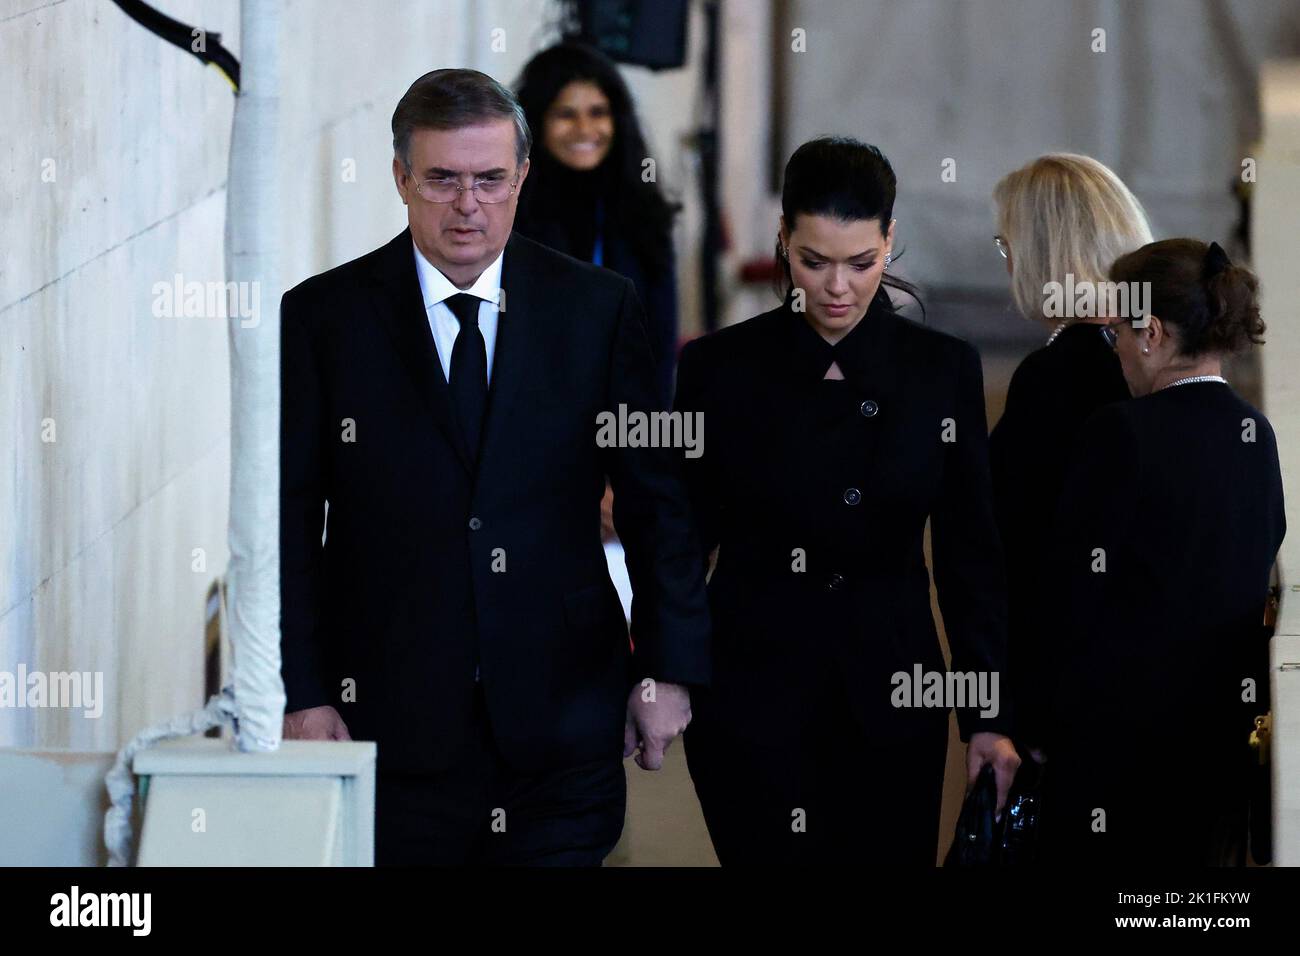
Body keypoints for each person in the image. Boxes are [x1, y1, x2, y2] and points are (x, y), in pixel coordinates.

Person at [278, 68, 710, 866]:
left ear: (522, 180)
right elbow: (292, 521)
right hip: (388, 724)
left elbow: (657, 505)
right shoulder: (323, 318)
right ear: (401, 178)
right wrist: (302, 694)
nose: (467, 206)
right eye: (441, 179)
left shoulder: (598, 308)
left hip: (565, 723)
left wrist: (667, 669)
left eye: (489, 180)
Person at [674, 137, 1020, 865]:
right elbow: (681, 539)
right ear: (783, 243)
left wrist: (987, 716)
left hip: (893, 696)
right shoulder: (719, 369)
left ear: (891, 240)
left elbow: (971, 558)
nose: (837, 287)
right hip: (750, 698)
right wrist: (664, 672)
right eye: (813, 261)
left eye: (862, 263)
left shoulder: (942, 372)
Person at [1041, 239, 1285, 865]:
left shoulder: (1122, 432)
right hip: (1218, 756)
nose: (1115, 346)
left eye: (1118, 329)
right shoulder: (1256, 435)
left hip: (1121, 759)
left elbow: (1071, 596)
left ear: (1150, 332)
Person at [987, 154, 1153, 754]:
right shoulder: (1149, 354)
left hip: (1068, 698)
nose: (1008, 264)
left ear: (1042, 252)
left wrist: (1015, 720)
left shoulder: (1054, 377)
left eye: (1008, 246)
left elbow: (1028, 555)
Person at [514, 41, 680, 404]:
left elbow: (660, 347)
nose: (585, 129)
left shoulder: (643, 212)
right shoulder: (510, 217)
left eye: (598, 112)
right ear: (536, 122)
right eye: (566, 114)